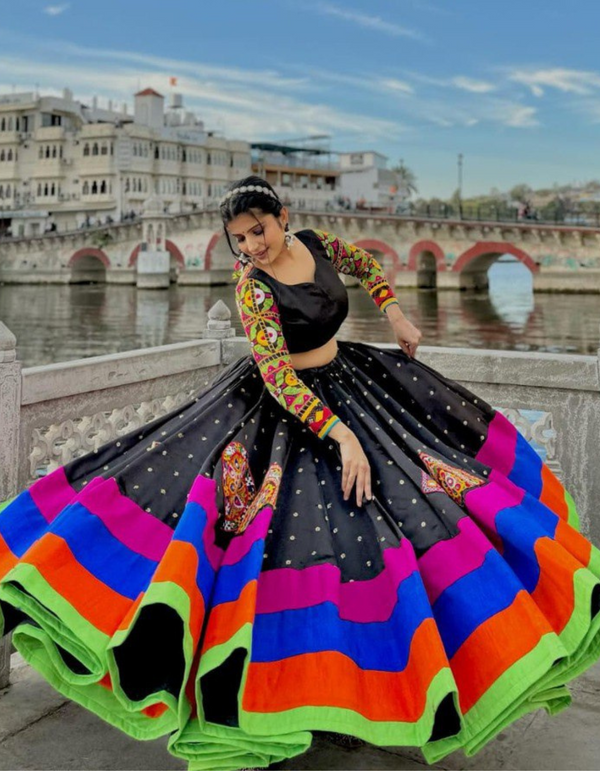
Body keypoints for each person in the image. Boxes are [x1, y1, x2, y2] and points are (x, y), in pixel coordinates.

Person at [1, 175, 599, 771]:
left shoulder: (316, 244)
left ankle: (364, 675)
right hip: (284, 410)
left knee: (419, 508)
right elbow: (277, 375)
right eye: (238, 239)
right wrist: (342, 436)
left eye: (257, 231)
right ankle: (275, 690)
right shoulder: (251, 286)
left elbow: (363, 263)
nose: (251, 247)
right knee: (282, 541)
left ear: (282, 217)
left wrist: (394, 315)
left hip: (353, 381)